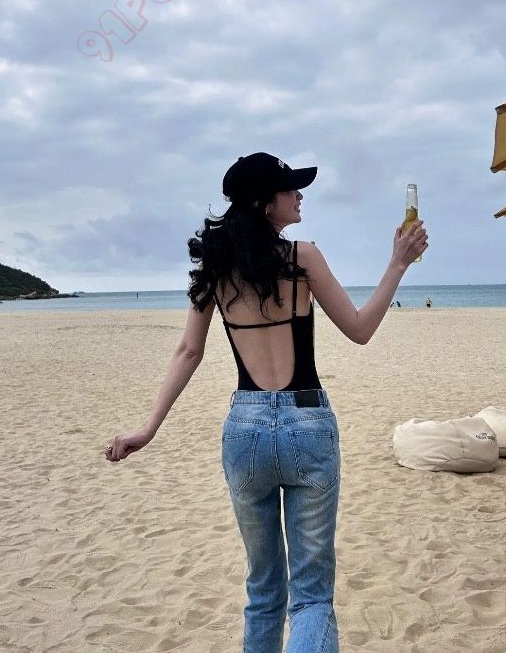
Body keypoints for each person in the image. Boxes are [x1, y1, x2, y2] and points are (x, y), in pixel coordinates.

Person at [104, 152, 428, 652]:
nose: (299, 195)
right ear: (263, 203)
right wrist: (397, 265)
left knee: (263, 591)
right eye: (289, 188)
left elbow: (188, 350)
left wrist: (148, 428)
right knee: (312, 597)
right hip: (307, 423)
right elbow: (360, 329)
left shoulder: (216, 269)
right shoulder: (304, 257)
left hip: (245, 430)